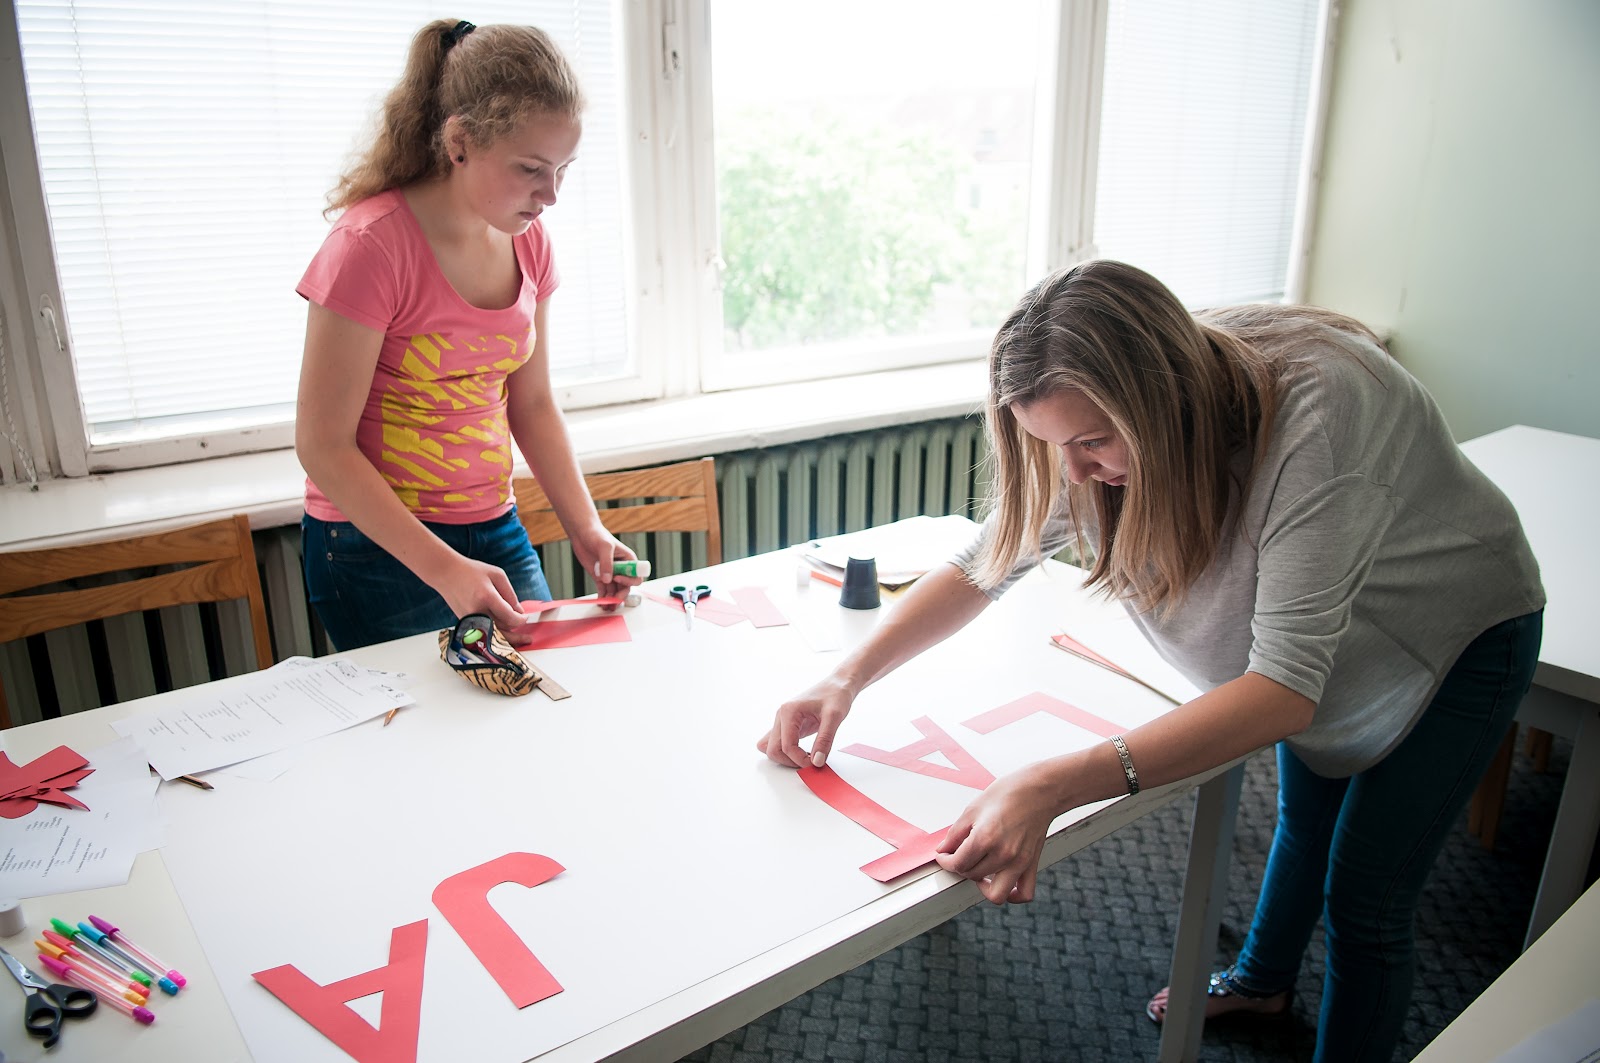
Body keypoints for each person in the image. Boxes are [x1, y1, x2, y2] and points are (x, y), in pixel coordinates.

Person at [759, 260, 1544, 1062]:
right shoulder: (1105, 420)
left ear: (1159, 400)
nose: (1073, 472)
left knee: (1366, 899)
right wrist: (846, 675)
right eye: (1054, 445)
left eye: (1091, 442)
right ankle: (1263, 981)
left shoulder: (1324, 414)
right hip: (1330, 651)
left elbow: (1281, 692)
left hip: (1453, 637)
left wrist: (1053, 782)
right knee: (1306, 824)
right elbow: (982, 564)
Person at [294, 19, 638, 651]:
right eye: (531, 168)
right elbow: (322, 445)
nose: (551, 195)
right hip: (374, 544)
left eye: (563, 169)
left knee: (545, 693)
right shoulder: (370, 246)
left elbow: (532, 403)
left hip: (494, 524)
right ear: (459, 142)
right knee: (447, 712)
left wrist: (585, 527)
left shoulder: (530, 241)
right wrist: (446, 569)